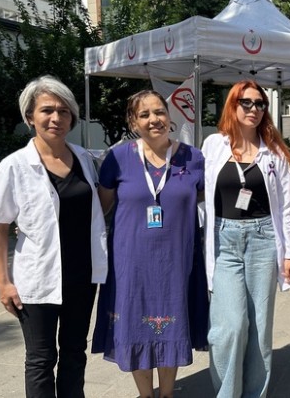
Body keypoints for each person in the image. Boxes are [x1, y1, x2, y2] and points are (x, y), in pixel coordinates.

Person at [0, 75, 108, 397]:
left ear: (73, 117)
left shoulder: (84, 158)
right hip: (37, 281)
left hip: (82, 276)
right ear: (30, 117)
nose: (56, 118)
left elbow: (102, 205)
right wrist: (3, 283)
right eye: (47, 110)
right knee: (41, 359)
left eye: (64, 111)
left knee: (74, 354)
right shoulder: (14, 166)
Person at [91, 90, 209, 398]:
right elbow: (101, 209)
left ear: (169, 117)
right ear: (133, 121)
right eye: (144, 115)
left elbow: (198, 198)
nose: (153, 119)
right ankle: (145, 395)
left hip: (176, 262)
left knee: (173, 326)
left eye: (159, 112)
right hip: (130, 264)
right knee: (134, 327)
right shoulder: (117, 159)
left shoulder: (193, 158)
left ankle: (167, 393)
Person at [202, 80, 290, 398]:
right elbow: (201, 193)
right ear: (233, 104)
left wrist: (289, 254)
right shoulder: (214, 145)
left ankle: (256, 392)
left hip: (263, 239)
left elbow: (286, 205)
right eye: (247, 102)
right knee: (229, 326)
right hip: (224, 239)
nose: (254, 109)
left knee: (259, 327)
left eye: (260, 104)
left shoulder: (274, 152)